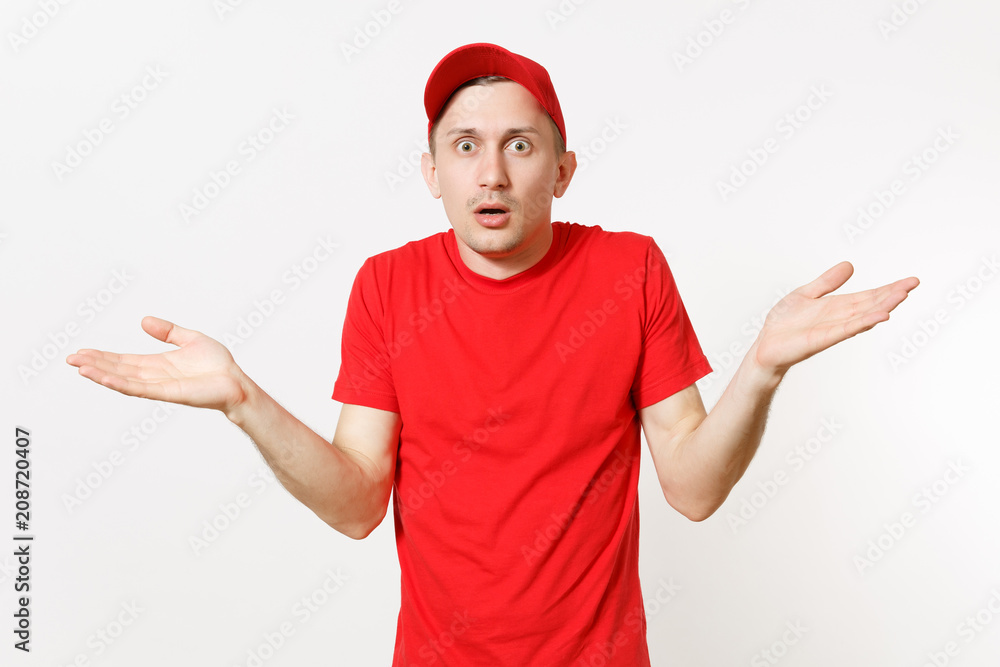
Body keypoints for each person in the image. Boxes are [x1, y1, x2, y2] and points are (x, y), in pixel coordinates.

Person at [67, 43, 919, 666]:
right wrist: (242, 399)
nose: (493, 174)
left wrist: (762, 365)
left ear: (563, 168)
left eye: (520, 144)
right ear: (432, 171)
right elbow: (359, 500)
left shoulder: (630, 270)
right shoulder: (386, 287)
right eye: (464, 145)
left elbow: (692, 487)